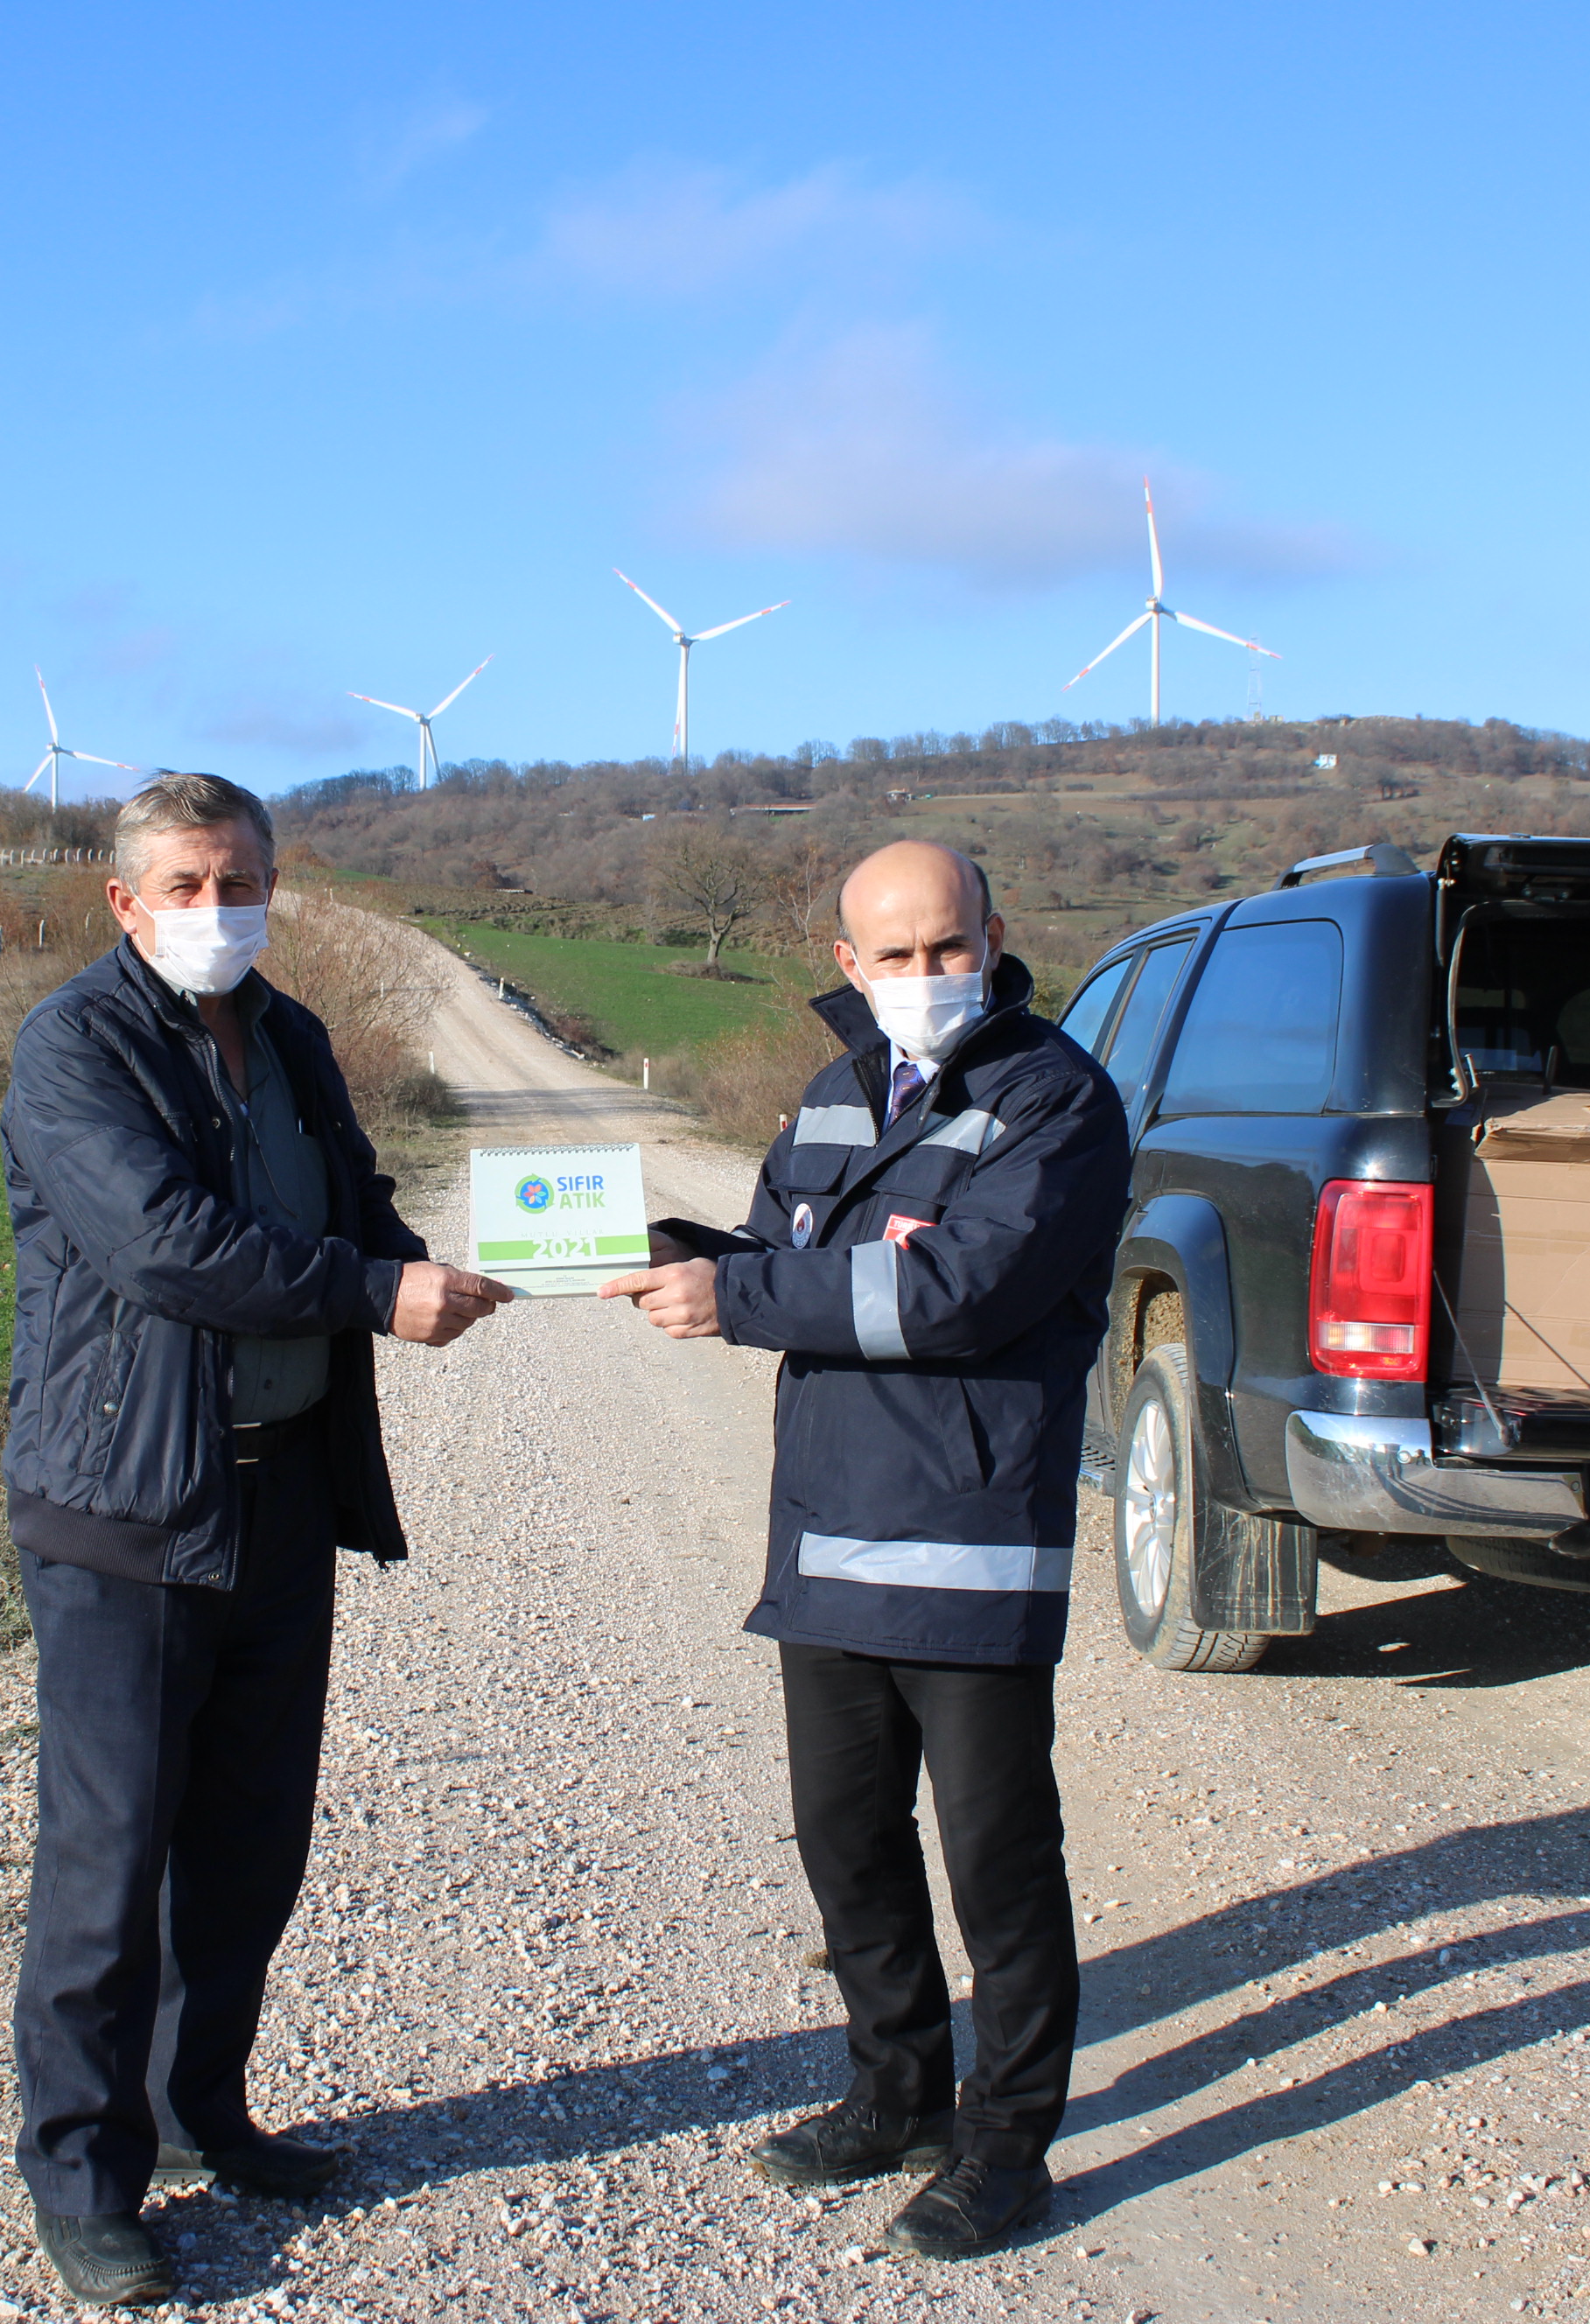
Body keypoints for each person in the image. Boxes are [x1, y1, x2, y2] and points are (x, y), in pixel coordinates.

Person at [1, 773, 515, 2306]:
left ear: (278, 882)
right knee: (107, 1859)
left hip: (282, 1491)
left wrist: (466, 1269)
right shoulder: (73, 1046)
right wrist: (371, 1296)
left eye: (242, 880)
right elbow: (167, 1243)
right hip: (129, 1508)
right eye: (186, 882)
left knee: (248, 1842)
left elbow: (356, 1205)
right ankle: (83, 2178)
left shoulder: (288, 1036)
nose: (218, 907)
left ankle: (194, 2112)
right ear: (126, 899)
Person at [601, 839, 1129, 2261]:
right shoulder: (835, 1096)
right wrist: (660, 1244)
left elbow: (961, 1292)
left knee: (998, 1868)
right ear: (846, 965)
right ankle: (893, 2089)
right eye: (891, 956)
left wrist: (747, 1288)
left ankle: (1007, 2143)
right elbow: (780, 1248)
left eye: (946, 948)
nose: (922, 978)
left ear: (996, 936)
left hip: (966, 1545)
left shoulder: (1056, 1101)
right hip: (827, 1541)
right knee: (849, 1849)